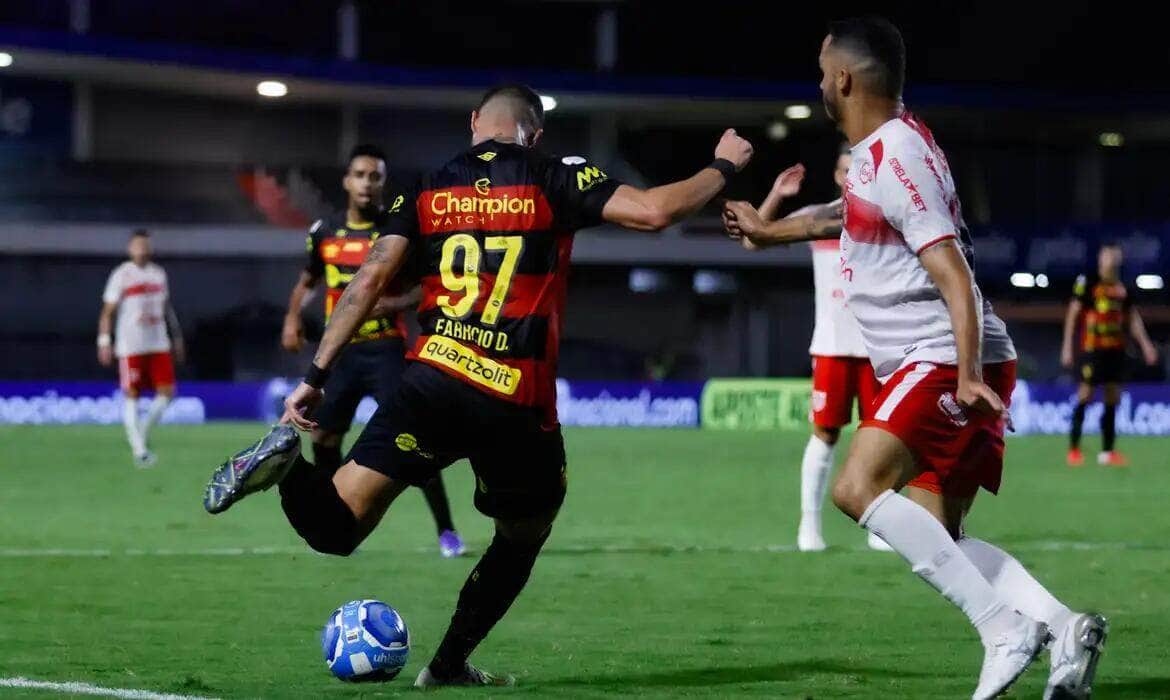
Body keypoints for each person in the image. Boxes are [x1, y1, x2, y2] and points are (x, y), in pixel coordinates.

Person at [203, 83, 753, 687]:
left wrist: (314, 377)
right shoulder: (552, 175)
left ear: (474, 122)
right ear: (534, 134)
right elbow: (655, 212)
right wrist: (723, 165)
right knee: (522, 535)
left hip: (432, 381)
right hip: (515, 402)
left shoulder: (426, 187)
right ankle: (446, 666)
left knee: (335, 529)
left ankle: (289, 470)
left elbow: (368, 282)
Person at [724, 18, 1104, 699]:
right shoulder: (887, 148)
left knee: (855, 489)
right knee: (938, 535)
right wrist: (767, 229)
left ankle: (1003, 631)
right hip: (948, 356)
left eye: (822, 72)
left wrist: (965, 374)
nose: (819, 84)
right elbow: (842, 215)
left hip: (941, 355)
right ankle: (1063, 627)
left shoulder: (898, 153)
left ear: (844, 78)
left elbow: (952, 269)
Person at [280, 144, 464, 558]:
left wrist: (393, 303)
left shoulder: (398, 229)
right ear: (347, 181)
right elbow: (308, 281)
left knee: (414, 438)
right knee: (325, 437)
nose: (367, 183)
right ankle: (335, 520)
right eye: (360, 175)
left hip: (386, 350)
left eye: (375, 176)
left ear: (383, 183)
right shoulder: (324, 231)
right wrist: (292, 318)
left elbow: (429, 286)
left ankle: (446, 531)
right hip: (342, 355)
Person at [746, 151, 888, 553]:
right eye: (846, 170)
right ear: (838, 175)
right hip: (832, 346)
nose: (853, 177)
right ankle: (809, 526)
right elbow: (754, 239)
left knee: (883, 439)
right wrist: (777, 194)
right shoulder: (817, 217)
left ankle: (880, 528)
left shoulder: (889, 218)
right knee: (825, 434)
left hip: (881, 347)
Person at [1060, 242, 1159, 466]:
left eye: (1115, 257)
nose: (1111, 261)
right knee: (1085, 394)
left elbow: (1132, 318)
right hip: (1092, 350)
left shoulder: (1123, 287)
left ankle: (1107, 451)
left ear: (1119, 260)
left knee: (1113, 396)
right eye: (1107, 257)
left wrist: (1146, 345)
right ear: (1100, 259)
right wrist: (1067, 346)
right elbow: (1073, 313)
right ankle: (1074, 449)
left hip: (1115, 350)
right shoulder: (1088, 282)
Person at [97, 229, 184, 467]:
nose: (142, 249)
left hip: (158, 342)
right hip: (131, 344)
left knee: (167, 393)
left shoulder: (158, 274)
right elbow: (107, 312)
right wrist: (104, 341)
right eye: (138, 245)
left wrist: (176, 337)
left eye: (145, 245)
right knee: (132, 394)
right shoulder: (121, 275)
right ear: (130, 249)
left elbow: (167, 309)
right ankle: (139, 450)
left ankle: (142, 432)